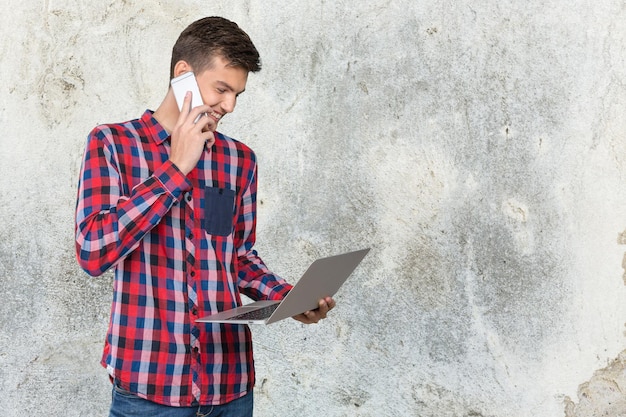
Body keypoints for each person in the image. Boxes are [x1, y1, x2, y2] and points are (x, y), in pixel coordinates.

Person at [74, 16, 335, 417]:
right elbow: (92, 251)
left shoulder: (239, 159)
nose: (229, 106)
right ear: (183, 74)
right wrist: (175, 169)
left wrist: (288, 299)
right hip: (148, 389)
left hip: (228, 387)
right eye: (222, 88)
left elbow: (240, 258)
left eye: (237, 94)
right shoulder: (111, 144)